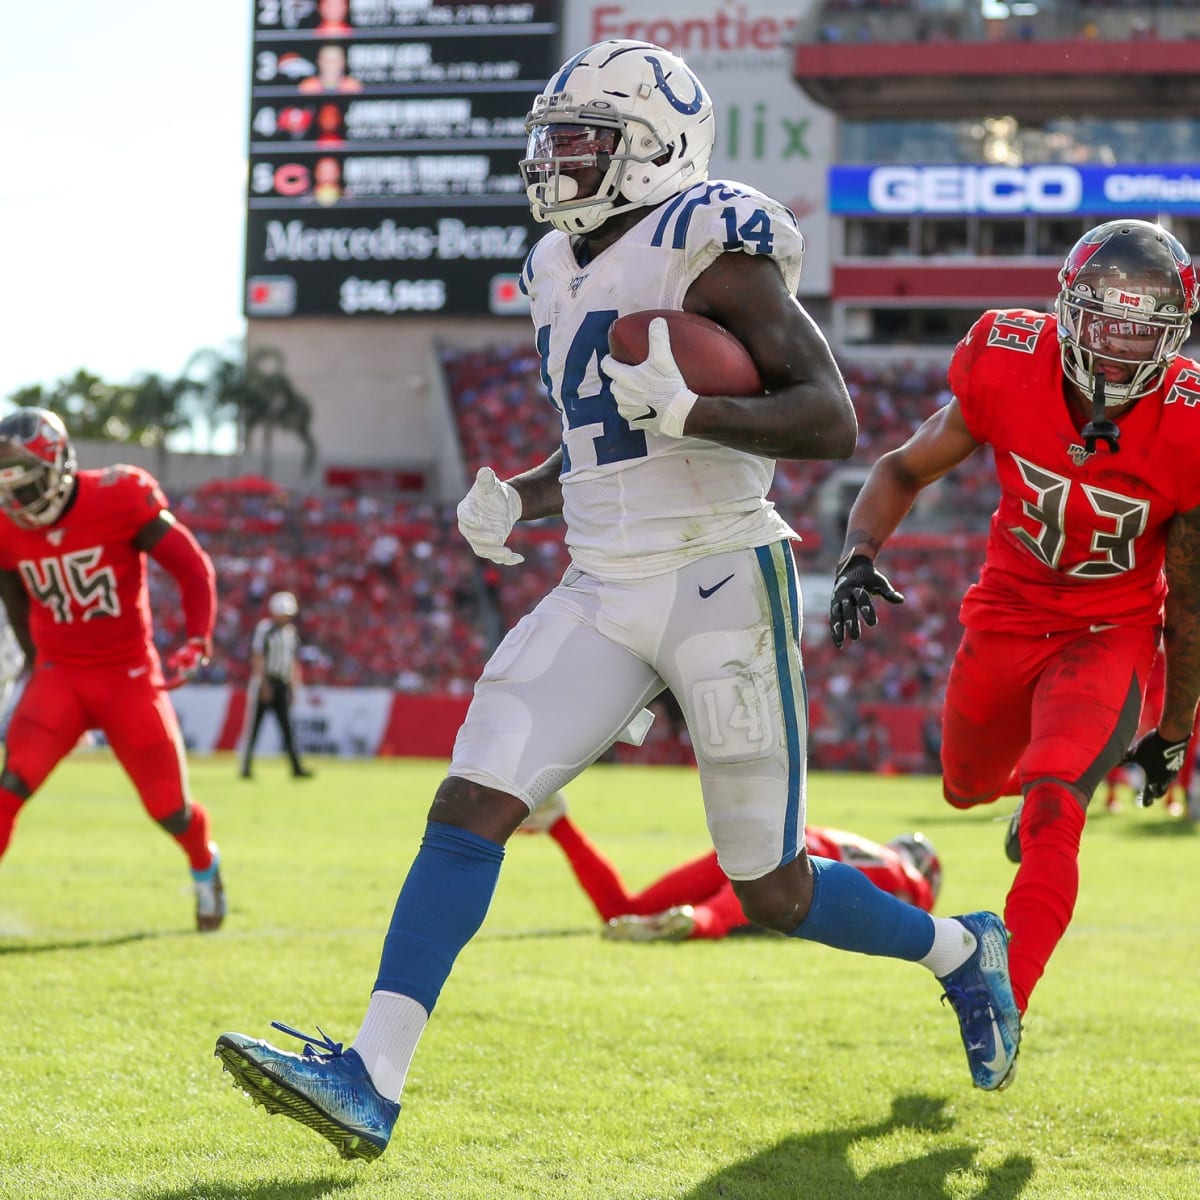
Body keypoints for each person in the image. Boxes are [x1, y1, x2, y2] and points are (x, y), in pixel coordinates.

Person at [214, 39, 1019, 1164]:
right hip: (600, 581)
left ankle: (957, 952)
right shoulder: (555, 265)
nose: (557, 158)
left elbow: (827, 418)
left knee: (772, 884)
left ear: (655, 150)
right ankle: (369, 1078)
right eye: (553, 136)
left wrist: (696, 414)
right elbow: (605, 435)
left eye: (584, 137)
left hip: (722, 575)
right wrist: (526, 498)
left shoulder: (710, 247)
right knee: (470, 803)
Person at [829, 219, 1200, 1040]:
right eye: (1106, 321)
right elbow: (900, 467)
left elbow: (1191, 601)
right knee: (963, 783)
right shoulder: (1005, 356)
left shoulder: (1188, 421)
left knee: (1054, 804)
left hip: (1111, 626)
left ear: (1176, 335)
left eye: (1144, 329)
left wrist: (1174, 729)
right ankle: (1033, 790)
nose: (1119, 349)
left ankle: (1005, 999)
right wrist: (859, 551)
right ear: (1067, 311)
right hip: (1005, 610)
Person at [0, 408, 225, 930]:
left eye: (26, 486)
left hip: (128, 676)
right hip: (60, 675)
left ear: (57, 466)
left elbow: (191, 566)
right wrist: (35, 666)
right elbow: (14, 597)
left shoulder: (119, 495)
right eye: (6, 489)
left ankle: (203, 863)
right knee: (9, 789)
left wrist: (197, 638)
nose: (17, 502)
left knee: (170, 808)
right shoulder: (7, 529)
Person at [518, 791, 940, 940]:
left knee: (621, 910)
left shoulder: (871, 848)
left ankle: (559, 823)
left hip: (775, 836)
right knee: (718, 919)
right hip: (794, 861)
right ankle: (692, 923)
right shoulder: (908, 875)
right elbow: (909, 909)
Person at [238, 591, 312, 780]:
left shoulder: (291, 633)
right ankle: (245, 767)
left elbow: (294, 662)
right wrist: (263, 684)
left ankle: (296, 767)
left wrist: (295, 687)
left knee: (287, 729)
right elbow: (258, 657)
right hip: (266, 682)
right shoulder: (266, 629)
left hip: (283, 684)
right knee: (254, 728)